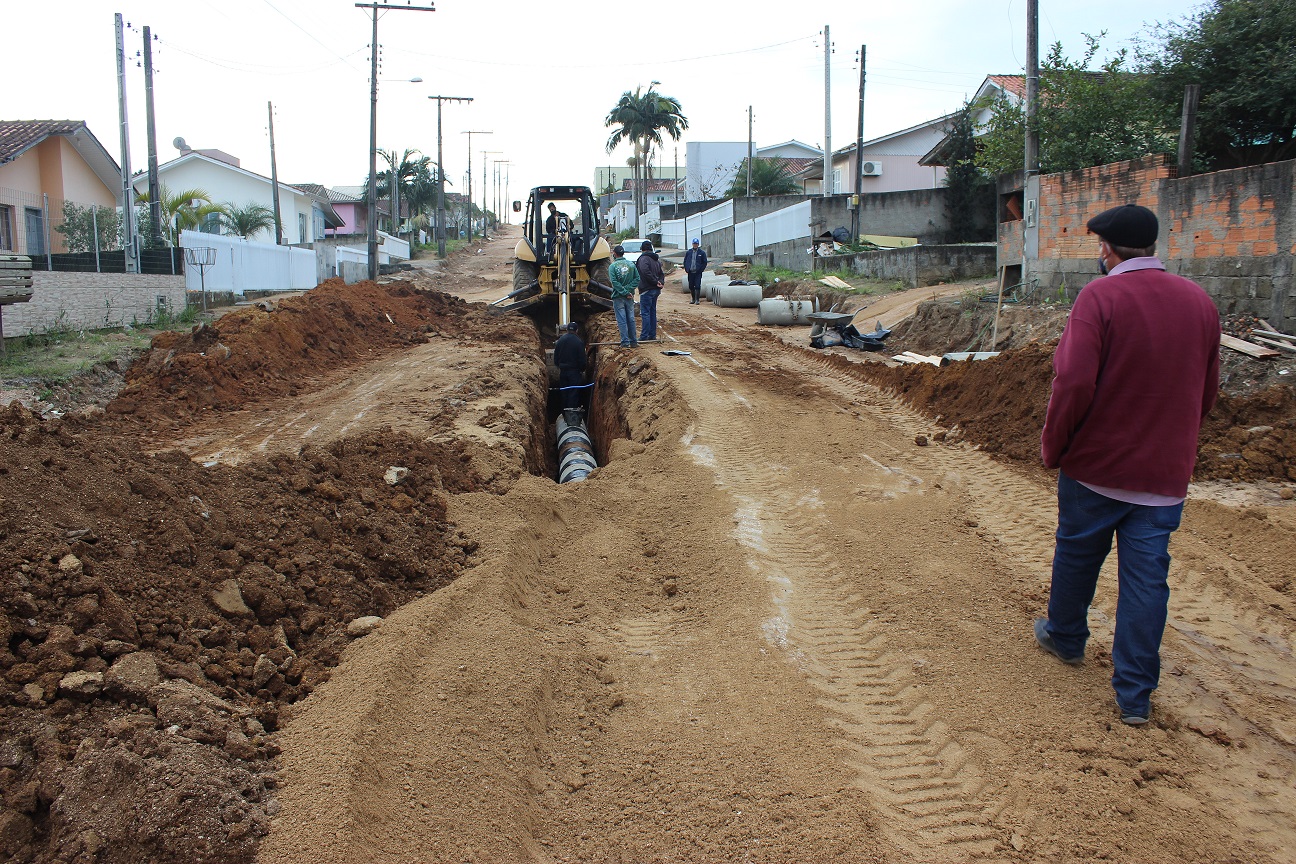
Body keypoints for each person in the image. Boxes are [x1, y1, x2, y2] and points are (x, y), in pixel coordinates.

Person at [1034, 203, 1220, 727]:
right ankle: (1135, 695)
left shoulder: (1102, 295)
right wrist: (1175, 439)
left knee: (1077, 552)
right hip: (1163, 476)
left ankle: (1066, 637)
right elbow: (1206, 392)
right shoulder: (1200, 301)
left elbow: (1072, 382)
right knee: (1146, 579)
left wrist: (1056, 446)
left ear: (1107, 250)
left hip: (1097, 466)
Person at [608, 244, 639, 347]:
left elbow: (614, 282)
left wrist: (624, 291)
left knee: (622, 320)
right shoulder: (631, 265)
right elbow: (637, 279)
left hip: (618, 297)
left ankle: (625, 342)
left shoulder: (612, 267)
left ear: (614, 254)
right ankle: (634, 341)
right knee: (631, 318)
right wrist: (629, 291)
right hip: (629, 296)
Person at [553, 321, 587, 412]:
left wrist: (558, 365)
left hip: (563, 371)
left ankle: (563, 413)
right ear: (577, 330)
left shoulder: (560, 340)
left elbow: (555, 356)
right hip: (574, 372)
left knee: (564, 392)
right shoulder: (579, 342)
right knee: (573, 393)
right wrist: (582, 369)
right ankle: (572, 414)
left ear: (567, 330)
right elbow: (582, 359)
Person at [635, 240, 664, 341]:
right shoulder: (656, 260)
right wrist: (660, 282)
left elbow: (645, 272)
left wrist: (655, 282)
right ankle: (652, 335)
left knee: (645, 313)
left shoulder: (643, 259)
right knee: (652, 312)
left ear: (642, 249)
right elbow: (661, 273)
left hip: (647, 289)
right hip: (655, 290)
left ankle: (644, 336)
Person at [683, 238, 708, 305]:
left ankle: (697, 300)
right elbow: (685, 261)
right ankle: (693, 299)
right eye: (694, 244)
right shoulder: (689, 252)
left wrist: (700, 270)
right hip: (690, 272)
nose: (695, 245)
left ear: (698, 244)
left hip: (697, 273)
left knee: (697, 285)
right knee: (691, 286)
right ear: (692, 244)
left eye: (696, 244)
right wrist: (686, 268)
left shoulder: (702, 253)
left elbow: (704, 262)